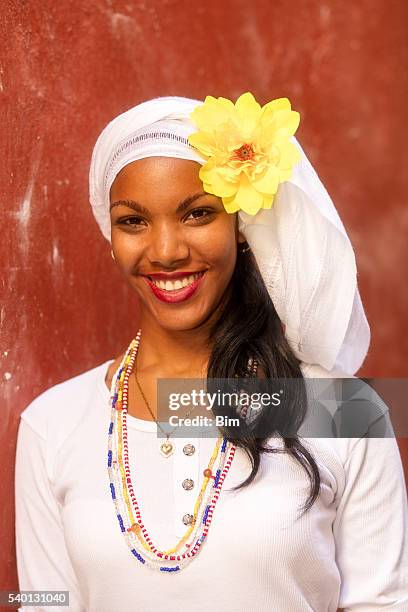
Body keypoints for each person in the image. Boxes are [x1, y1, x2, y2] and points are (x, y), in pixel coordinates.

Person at [15, 93, 408, 611]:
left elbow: (383, 602)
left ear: (240, 228)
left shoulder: (346, 409)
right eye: (133, 221)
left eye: (198, 214)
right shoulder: (51, 422)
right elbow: (45, 603)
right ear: (109, 235)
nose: (166, 251)